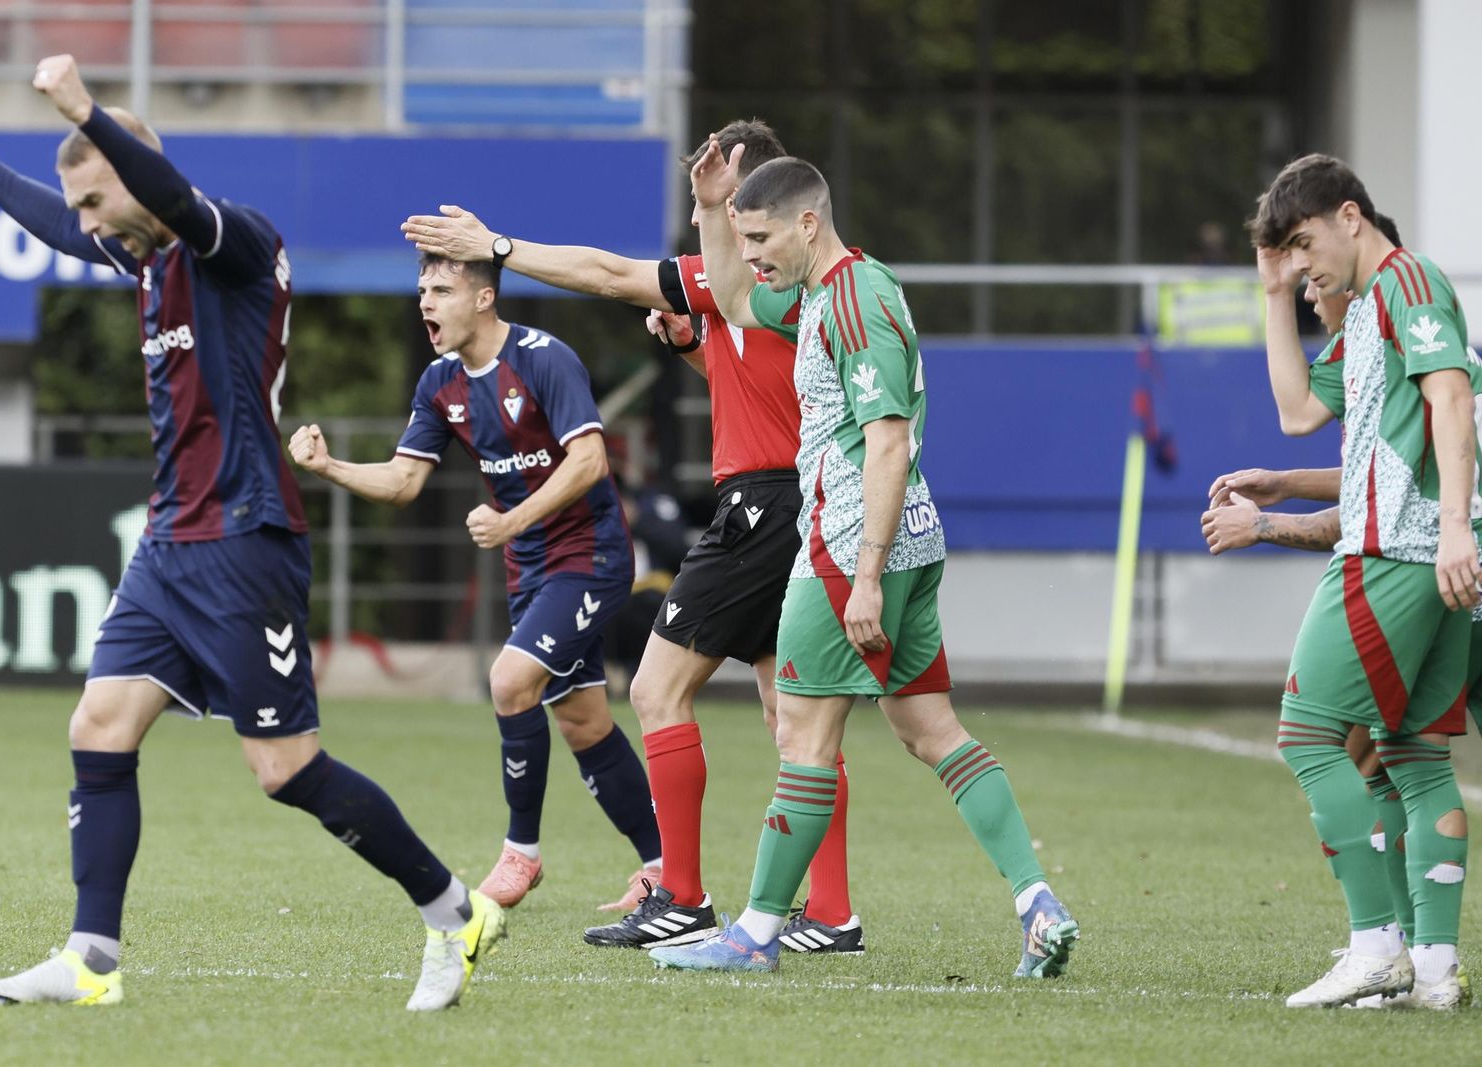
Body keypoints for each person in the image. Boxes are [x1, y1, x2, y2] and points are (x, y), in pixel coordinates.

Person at [0, 55, 501, 1012]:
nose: (91, 223)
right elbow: (64, 226)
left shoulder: (231, 244)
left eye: (101, 196)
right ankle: (92, 960)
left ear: (134, 171)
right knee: (98, 725)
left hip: (245, 538)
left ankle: (452, 910)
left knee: (284, 770)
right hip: (170, 543)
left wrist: (83, 110)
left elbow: (163, 192)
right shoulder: (143, 255)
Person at [402, 120, 863, 955]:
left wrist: (496, 245)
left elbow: (610, 274)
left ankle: (681, 895)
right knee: (792, 718)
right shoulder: (774, 286)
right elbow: (757, 382)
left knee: (654, 689)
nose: (708, 225)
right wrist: (695, 342)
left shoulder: (762, 273)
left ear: (760, 203)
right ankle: (831, 911)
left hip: (763, 503)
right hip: (800, 498)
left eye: (719, 204)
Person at [648, 144, 1078, 975]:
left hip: (852, 544)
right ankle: (1037, 902)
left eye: (762, 235)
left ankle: (756, 933)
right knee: (928, 727)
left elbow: (887, 441)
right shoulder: (821, 291)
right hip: (908, 538)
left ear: (809, 223)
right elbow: (732, 301)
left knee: (802, 735)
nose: (753, 254)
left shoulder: (850, 304)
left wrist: (867, 574)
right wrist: (713, 212)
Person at [289, 252, 661, 912]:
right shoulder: (439, 382)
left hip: (592, 556)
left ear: (484, 298)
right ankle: (664, 869)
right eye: (421, 289)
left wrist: (510, 518)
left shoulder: (544, 358)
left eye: (441, 289)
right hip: (533, 568)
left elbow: (589, 459)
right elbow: (404, 482)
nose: (425, 302)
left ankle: (522, 853)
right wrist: (328, 466)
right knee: (581, 720)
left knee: (510, 680)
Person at [1249, 153, 1479, 1010]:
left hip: (1402, 551)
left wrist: (1453, 528)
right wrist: (1275, 294)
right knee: (1414, 758)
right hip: (1431, 552)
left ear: (1352, 216)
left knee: (1308, 735)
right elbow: (1298, 412)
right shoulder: (1373, 307)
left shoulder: (1410, 281)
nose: (1304, 265)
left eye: (1306, 244)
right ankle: (1434, 970)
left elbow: (1452, 396)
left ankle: (1375, 944)